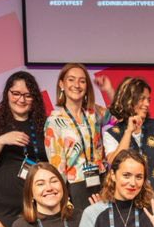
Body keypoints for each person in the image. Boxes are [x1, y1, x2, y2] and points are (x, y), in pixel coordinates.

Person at [0, 71, 50, 227]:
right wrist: (1, 140)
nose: (21, 100)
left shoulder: (44, 123)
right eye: (16, 93)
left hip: (38, 200)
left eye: (27, 95)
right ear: (7, 93)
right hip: (5, 204)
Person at [44, 63, 109, 210]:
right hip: (76, 186)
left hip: (103, 180)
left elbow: (120, 116)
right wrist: (64, 198)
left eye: (82, 80)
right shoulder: (54, 121)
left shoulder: (94, 112)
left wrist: (108, 90)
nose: (77, 85)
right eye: (71, 80)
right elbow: (57, 164)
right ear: (62, 84)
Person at [103, 76, 154, 195]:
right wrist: (128, 132)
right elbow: (115, 162)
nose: (147, 104)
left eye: (149, 100)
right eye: (142, 99)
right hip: (126, 202)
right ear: (129, 100)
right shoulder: (112, 133)